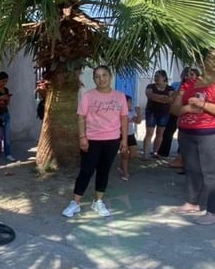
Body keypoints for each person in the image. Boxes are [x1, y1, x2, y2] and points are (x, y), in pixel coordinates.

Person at [170, 49, 215, 225]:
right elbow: (174, 108)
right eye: (210, 58)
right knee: (192, 170)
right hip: (188, 132)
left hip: (214, 134)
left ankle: (213, 212)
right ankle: (192, 203)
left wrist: (204, 105)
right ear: (201, 61)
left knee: (212, 173)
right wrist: (186, 109)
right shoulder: (190, 83)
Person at [62, 66, 128, 218]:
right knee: (86, 171)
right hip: (92, 140)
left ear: (110, 76)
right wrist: (82, 137)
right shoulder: (88, 96)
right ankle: (75, 203)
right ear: (93, 79)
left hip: (112, 140)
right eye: (97, 76)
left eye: (104, 75)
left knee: (104, 171)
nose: (101, 79)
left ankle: (98, 202)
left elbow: (124, 118)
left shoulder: (119, 96)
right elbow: (81, 117)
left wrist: (124, 140)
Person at [161, 67, 199, 165]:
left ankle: (180, 157)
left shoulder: (198, 87)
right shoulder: (177, 85)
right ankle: (163, 153)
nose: (188, 76)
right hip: (176, 110)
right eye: (186, 74)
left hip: (188, 114)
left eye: (191, 74)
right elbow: (172, 97)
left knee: (183, 136)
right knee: (168, 132)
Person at [142, 70, 173, 159]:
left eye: (158, 76)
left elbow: (171, 99)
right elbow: (150, 95)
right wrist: (163, 98)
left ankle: (155, 152)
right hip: (151, 112)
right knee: (149, 133)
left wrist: (156, 97)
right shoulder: (150, 86)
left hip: (164, 113)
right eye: (155, 76)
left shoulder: (170, 88)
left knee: (160, 133)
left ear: (164, 78)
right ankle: (145, 154)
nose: (156, 78)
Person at [118, 95, 142, 181]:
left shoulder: (131, 112)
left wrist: (139, 112)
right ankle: (125, 173)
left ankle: (121, 166)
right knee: (125, 155)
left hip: (130, 135)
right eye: (129, 102)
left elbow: (138, 121)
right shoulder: (118, 113)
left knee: (133, 154)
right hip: (121, 135)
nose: (131, 104)